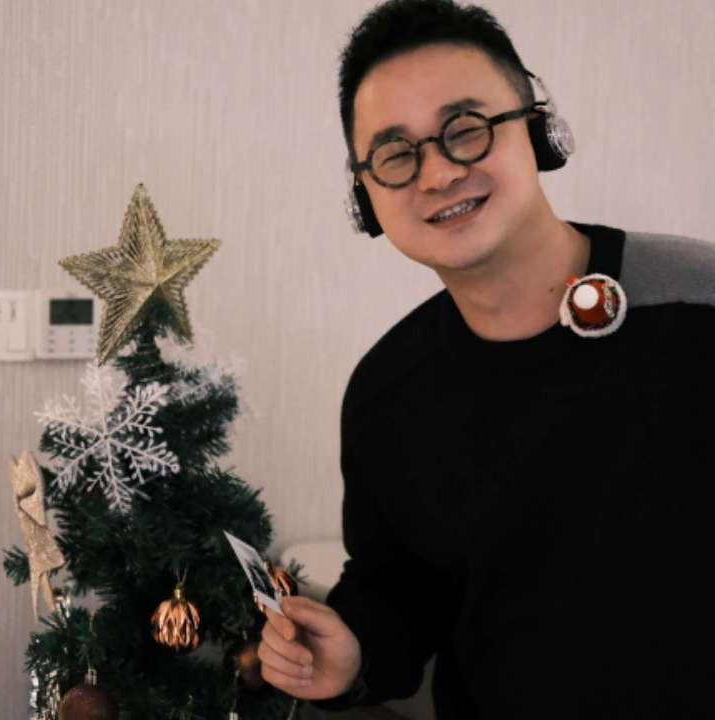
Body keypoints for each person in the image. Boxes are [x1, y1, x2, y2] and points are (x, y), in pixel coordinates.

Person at [258, 1, 713, 717]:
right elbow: (401, 589)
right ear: (364, 196)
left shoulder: (698, 300)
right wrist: (354, 655)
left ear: (537, 129)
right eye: (396, 154)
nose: (438, 174)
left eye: (466, 130)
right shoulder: (387, 390)